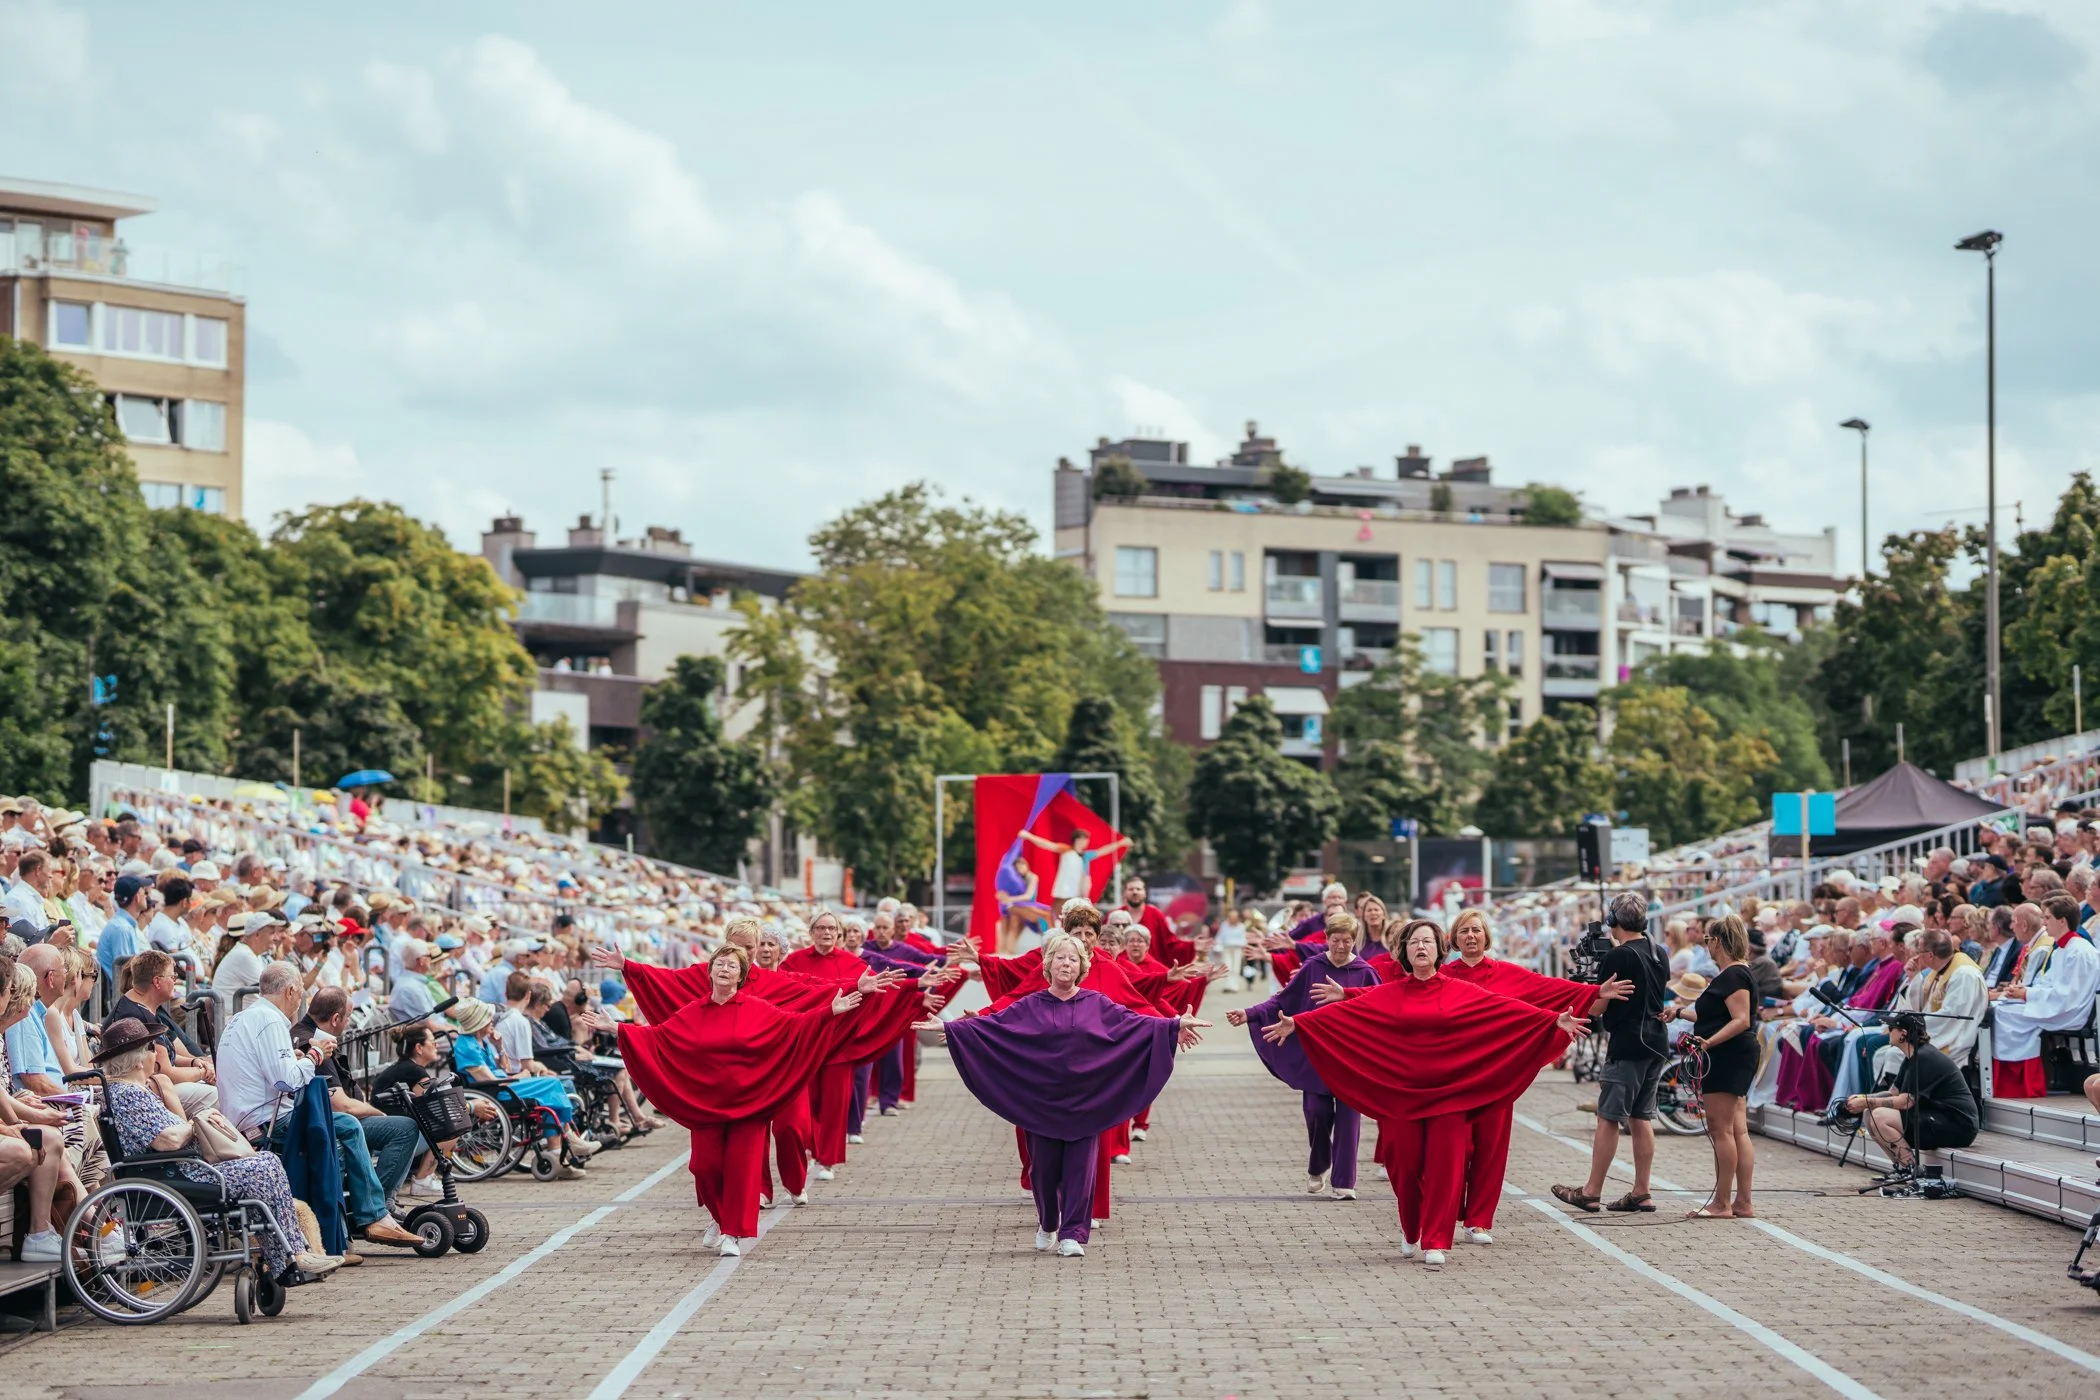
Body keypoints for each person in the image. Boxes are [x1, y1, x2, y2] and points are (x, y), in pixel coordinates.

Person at [1267, 919, 1587, 1270]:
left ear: (1438, 951)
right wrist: (1299, 1023)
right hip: (1401, 1097)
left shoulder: (1459, 990)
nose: (1421, 947)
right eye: (1414, 942)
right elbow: (1347, 1014)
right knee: (1403, 1165)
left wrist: (1551, 1021)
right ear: (1404, 951)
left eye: (1428, 942)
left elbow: (1505, 1010)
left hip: (1450, 1096)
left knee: (1445, 1166)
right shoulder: (1389, 993)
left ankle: (1436, 1239)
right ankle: (1411, 1227)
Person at [919, 931, 1203, 1256]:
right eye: (1060, 957)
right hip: (1041, 1103)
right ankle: (1048, 1222)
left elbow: (1135, 1023)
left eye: (1073, 959)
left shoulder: (1098, 1003)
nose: (1066, 963)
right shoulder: (1030, 1005)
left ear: (1082, 966)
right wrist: (950, 1029)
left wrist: (1172, 1025)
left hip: (1086, 1101)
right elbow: (995, 1026)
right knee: (1043, 1169)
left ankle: (1072, 1234)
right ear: (1048, 963)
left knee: (1082, 1170)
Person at [578, 945, 864, 1256]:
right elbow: (659, 1037)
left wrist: (828, 1012)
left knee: (743, 1168)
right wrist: (618, 1028)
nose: (724, 969)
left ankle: (733, 1232)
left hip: (750, 1104)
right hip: (707, 1105)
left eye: (732, 966)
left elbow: (793, 1025)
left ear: (741, 976)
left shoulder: (756, 1008)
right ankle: (719, 1217)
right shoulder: (693, 1011)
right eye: (720, 964)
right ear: (710, 971)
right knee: (704, 1166)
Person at [94, 1017, 342, 1281]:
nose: (155, 1052)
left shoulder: (129, 1091)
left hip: (178, 1171)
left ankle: (289, 1257)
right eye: (149, 1048)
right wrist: (195, 1123)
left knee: (266, 1163)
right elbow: (166, 1140)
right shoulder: (129, 1094)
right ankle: (292, 1256)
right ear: (136, 1059)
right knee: (264, 1166)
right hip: (177, 1175)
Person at [218, 962, 426, 1249]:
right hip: (266, 1119)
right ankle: (373, 1216)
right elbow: (286, 1081)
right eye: (301, 992)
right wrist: (315, 1054)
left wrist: (296, 1058)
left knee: (345, 1128)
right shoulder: (270, 1020)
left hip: (245, 1116)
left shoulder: (243, 1018)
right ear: (291, 991)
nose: (301, 1000)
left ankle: (368, 1215)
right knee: (349, 1127)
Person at [1229, 911, 1381, 1199]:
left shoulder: (1365, 972)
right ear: (1326, 940)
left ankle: (1344, 1182)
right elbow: (1282, 1001)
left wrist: (1349, 995)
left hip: (1352, 1059)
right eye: (1336, 940)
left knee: (1350, 1120)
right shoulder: (1313, 967)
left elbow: (1382, 1004)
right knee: (1317, 1113)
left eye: (1347, 941)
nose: (1341, 946)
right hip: (1317, 1056)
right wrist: (1248, 1013)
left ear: (1354, 941)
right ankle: (1318, 1165)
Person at [447, 998, 600, 1176]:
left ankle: (558, 1150)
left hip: (502, 1085)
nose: (492, 1020)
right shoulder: (466, 1046)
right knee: (553, 1084)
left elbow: (505, 1069)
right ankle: (567, 1138)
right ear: (479, 1022)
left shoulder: (481, 1042)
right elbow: (487, 1080)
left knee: (551, 1097)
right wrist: (520, 1076)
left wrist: (500, 1046)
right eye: (488, 1018)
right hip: (496, 1092)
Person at [1677, 912, 1757, 1219]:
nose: (1705, 946)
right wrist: (1680, 1013)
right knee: (1738, 1130)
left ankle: (1722, 1202)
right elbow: (1718, 1017)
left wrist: (1708, 1042)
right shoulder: (1738, 974)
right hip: (1736, 1052)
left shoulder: (1733, 976)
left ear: (1718, 942)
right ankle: (1743, 1202)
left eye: (1708, 940)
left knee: (1720, 1129)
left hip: (1728, 1055)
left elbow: (1740, 1019)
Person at [1989, 895, 2100, 1097]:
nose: (2043, 923)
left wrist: (2027, 994)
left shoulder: (2079, 950)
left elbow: (2068, 996)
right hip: (2054, 1003)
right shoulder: (2061, 949)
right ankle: (2008, 1082)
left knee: (2004, 1015)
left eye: (2047, 918)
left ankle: (2023, 1084)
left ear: (2062, 921)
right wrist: (2022, 992)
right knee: (2000, 1008)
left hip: (2071, 1010)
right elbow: (2047, 983)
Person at [1842, 1010, 1979, 1164]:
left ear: (1903, 1034)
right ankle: (1900, 1168)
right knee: (1869, 1113)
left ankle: (1911, 1168)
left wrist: (1867, 1101)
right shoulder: (1913, 1056)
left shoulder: (1924, 1058)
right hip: (1938, 1117)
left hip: (1957, 1125)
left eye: (1892, 1027)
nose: (1888, 1031)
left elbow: (1907, 1101)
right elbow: (1894, 1093)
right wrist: (1863, 1098)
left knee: (1879, 1116)